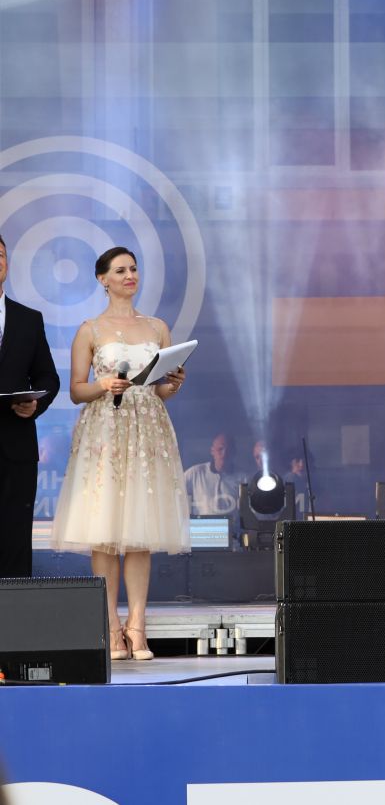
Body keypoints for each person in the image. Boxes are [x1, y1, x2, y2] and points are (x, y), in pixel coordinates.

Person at [51, 246, 188, 661]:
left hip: (148, 431)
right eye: (120, 270)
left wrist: (172, 384)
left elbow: (161, 390)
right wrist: (103, 385)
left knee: (141, 531)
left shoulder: (158, 327)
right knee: (105, 532)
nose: (130, 275)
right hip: (105, 430)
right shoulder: (90, 329)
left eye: (134, 269)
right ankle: (110, 625)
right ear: (103, 279)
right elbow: (76, 390)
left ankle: (137, 626)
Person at [0, 234, 62, 577]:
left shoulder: (28, 319)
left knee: (15, 534)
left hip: (17, 444)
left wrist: (35, 405)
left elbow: (48, 377)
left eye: (0, 255)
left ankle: (12, 608)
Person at [183, 433, 238, 516]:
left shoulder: (243, 478)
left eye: (229, 450)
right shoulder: (194, 473)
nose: (224, 453)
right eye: (220, 449)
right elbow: (174, 494)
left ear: (234, 452)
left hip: (232, 524)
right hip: (201, 524)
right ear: (212, 451)